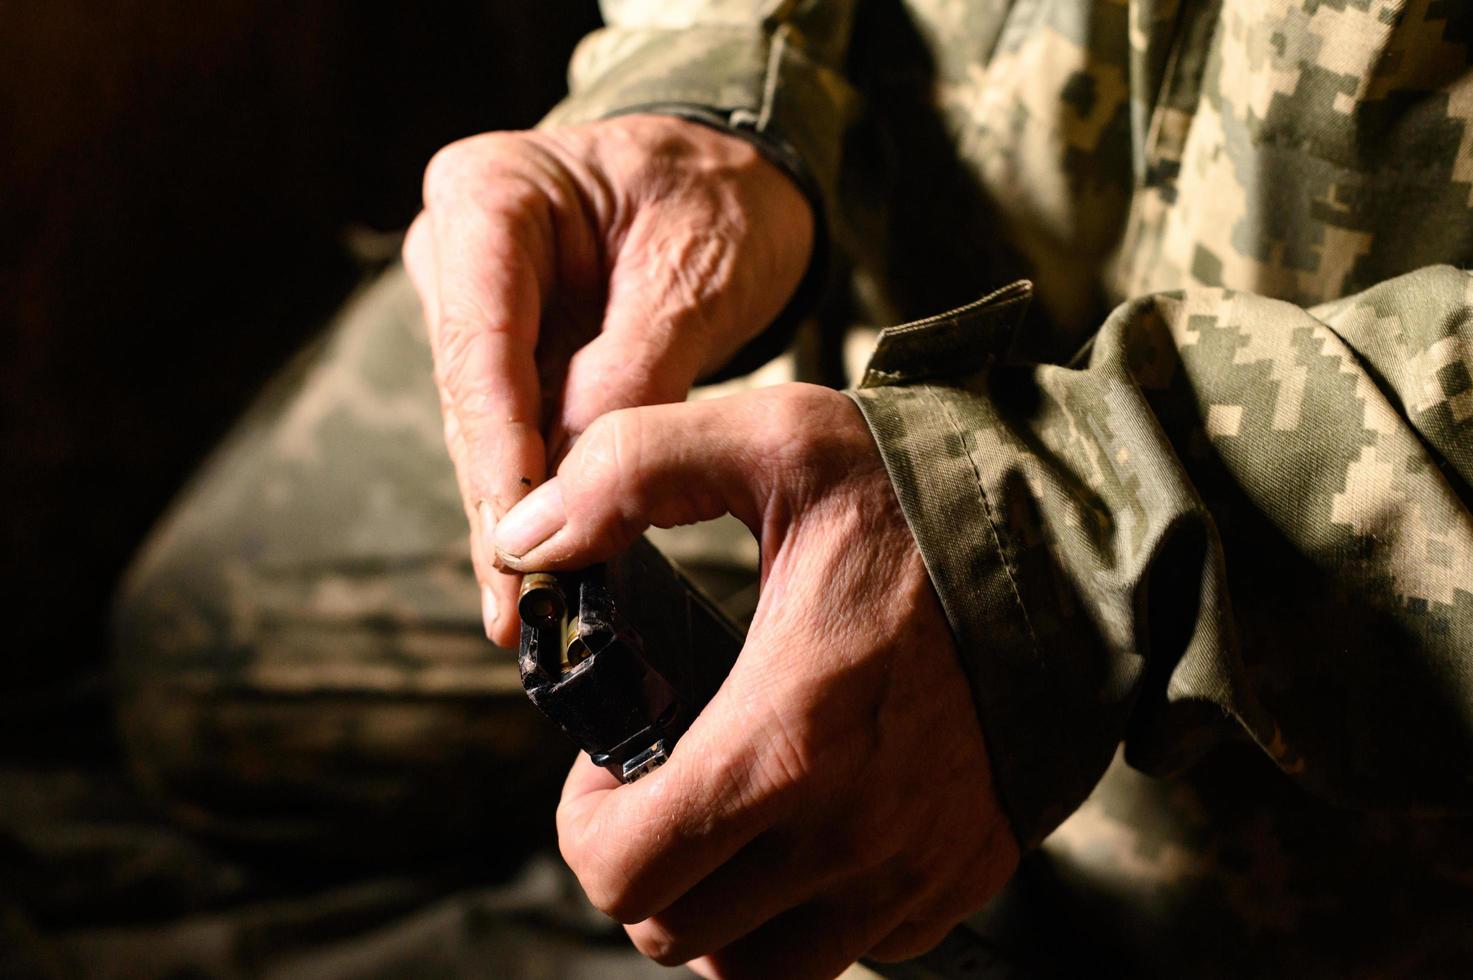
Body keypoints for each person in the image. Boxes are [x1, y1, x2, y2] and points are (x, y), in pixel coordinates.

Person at [116, 1, 1473, 977]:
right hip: (815, 295)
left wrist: (1058, 531)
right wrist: (705, 89)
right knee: (193, 657)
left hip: (1306, 596)